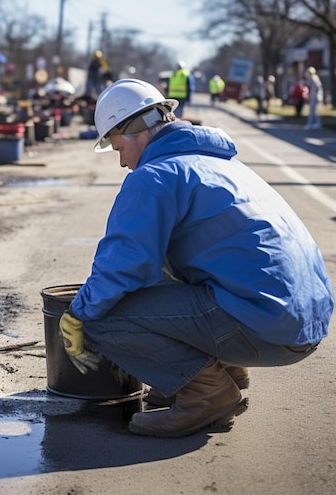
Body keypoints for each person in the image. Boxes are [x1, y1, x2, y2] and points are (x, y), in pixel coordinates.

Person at [59, 78, 333, 438]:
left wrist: (78, 316)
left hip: (268, 325)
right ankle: (225, 371)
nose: (123, 161)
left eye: (117, 146)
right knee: (172, 267)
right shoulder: (223, 166)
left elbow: (122, 266)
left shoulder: (154, 177)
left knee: (106, 315)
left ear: (134, 129)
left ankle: (208, 396)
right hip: (303, 320)